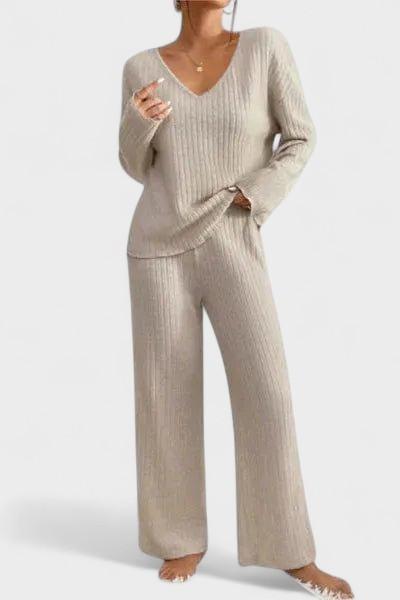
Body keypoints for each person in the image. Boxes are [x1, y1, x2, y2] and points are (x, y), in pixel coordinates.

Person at [118, 1, 354, 598]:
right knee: (164, 394)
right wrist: (137, 123)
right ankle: (178, 538)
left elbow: (301, 136)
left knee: (267, 393)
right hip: (158, 247)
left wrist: (254, 194)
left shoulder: (265, 47)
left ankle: (291, 550)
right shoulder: (142, 65)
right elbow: (136, 165)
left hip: (232, 233)